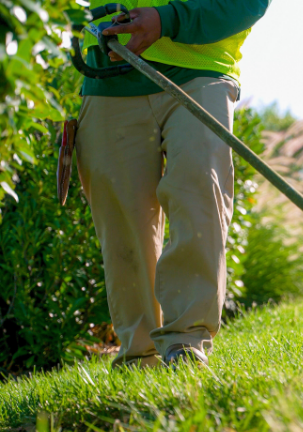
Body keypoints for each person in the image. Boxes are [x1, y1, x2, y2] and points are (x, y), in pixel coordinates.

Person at [74, 0, 270, 369]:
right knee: (122, 224)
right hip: (108, 75)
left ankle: (185, 342)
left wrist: (169, 19)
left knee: (198, 194)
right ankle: (139, 355)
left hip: (200, 71)